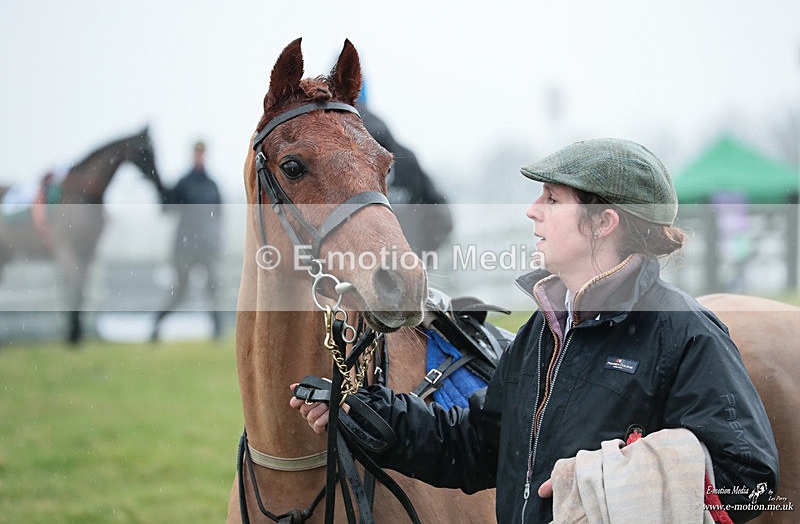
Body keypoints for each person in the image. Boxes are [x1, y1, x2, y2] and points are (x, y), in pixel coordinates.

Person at [290, 138, 779, 523]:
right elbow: (477, 446)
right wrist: (360, 410)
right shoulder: (542, 333)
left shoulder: (686, 334)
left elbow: (752, 483)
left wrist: (615, 482)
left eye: (552, 198)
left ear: (603, 222)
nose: (532, 210)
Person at [356, 88, 453, 256]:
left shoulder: (335, 156)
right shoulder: (406, 157)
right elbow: (443, 217)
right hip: (407, 270)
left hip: (355, 270)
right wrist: (418, 255)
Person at [151, 140, 223, 342]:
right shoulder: (183, 183)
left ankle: (217, 334)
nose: (199, 156)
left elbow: (219, 216)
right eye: (197, 153)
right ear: (193, 155)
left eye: (202, 153)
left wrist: (217, 241)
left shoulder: (212, 186)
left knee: (213, 289)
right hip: (185, 246)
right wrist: (158, 186)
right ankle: (156, 323)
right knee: (180, 291)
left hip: (207, 246)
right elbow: (167, 208)